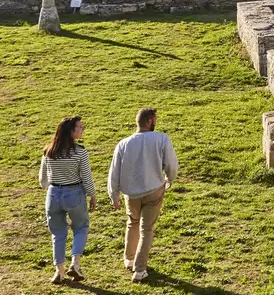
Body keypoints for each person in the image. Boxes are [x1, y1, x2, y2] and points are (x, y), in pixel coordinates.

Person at [108, 107, 177, 282]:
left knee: (132, 223)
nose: (156, 122)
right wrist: (169, 179)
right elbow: (171, 164)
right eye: (155, 119)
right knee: (146, 229)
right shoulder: (161, 138)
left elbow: (114, 171)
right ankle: (139, 269)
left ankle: (129, 259)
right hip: (154, 189)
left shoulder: (124, 143)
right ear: (149, 121)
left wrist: (114, 195)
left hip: (131, 193)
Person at [38, 115, 97, 284]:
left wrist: (52, 189)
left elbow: (43, 180)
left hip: (53, 194)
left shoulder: (48, 151)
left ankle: (59, 271)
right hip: (74, 193)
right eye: (80, 127)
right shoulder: (79, 152)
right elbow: (86, 176)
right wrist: (92, 194)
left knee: (58, 233)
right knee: (81, 227)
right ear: (71, 131)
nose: (82, 129)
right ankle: (75, 264)